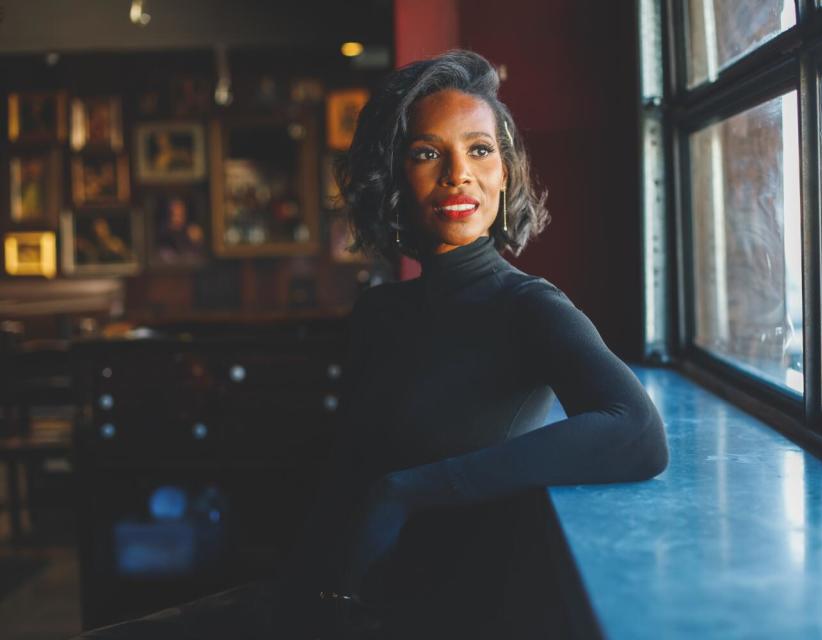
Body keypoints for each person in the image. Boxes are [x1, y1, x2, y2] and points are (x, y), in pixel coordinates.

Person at [76, 49, 668, 639]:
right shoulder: (381, 311)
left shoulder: (528, 305)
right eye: (428, 152)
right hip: (328, 602)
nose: (458, 173)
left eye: (480, 150)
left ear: (505, 172)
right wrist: (301, 594)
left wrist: (409, 491)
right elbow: (345, 476)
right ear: (393, 176)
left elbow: (636, 430)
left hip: (435, 615)